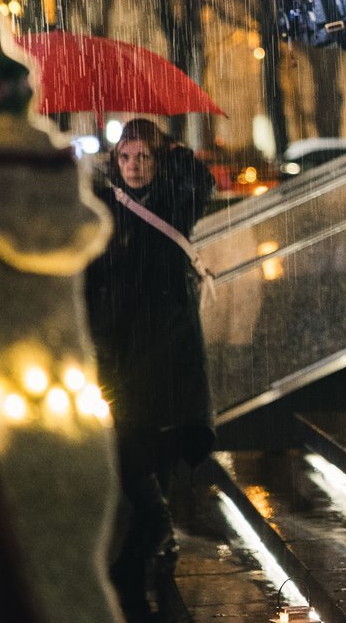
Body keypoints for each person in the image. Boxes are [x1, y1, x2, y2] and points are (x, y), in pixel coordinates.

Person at [84, 118, 217, 618]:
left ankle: (149, 548)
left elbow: (201, 182)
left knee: (153, 445)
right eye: (126, 157)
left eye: (144, 157)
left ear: (158, 161)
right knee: (126, 448)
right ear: (115, 160)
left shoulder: (172, 204)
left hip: (164, 349)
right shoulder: (103, 205)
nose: (134, 166)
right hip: (117, 347)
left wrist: (176, 147)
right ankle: (152, 534)